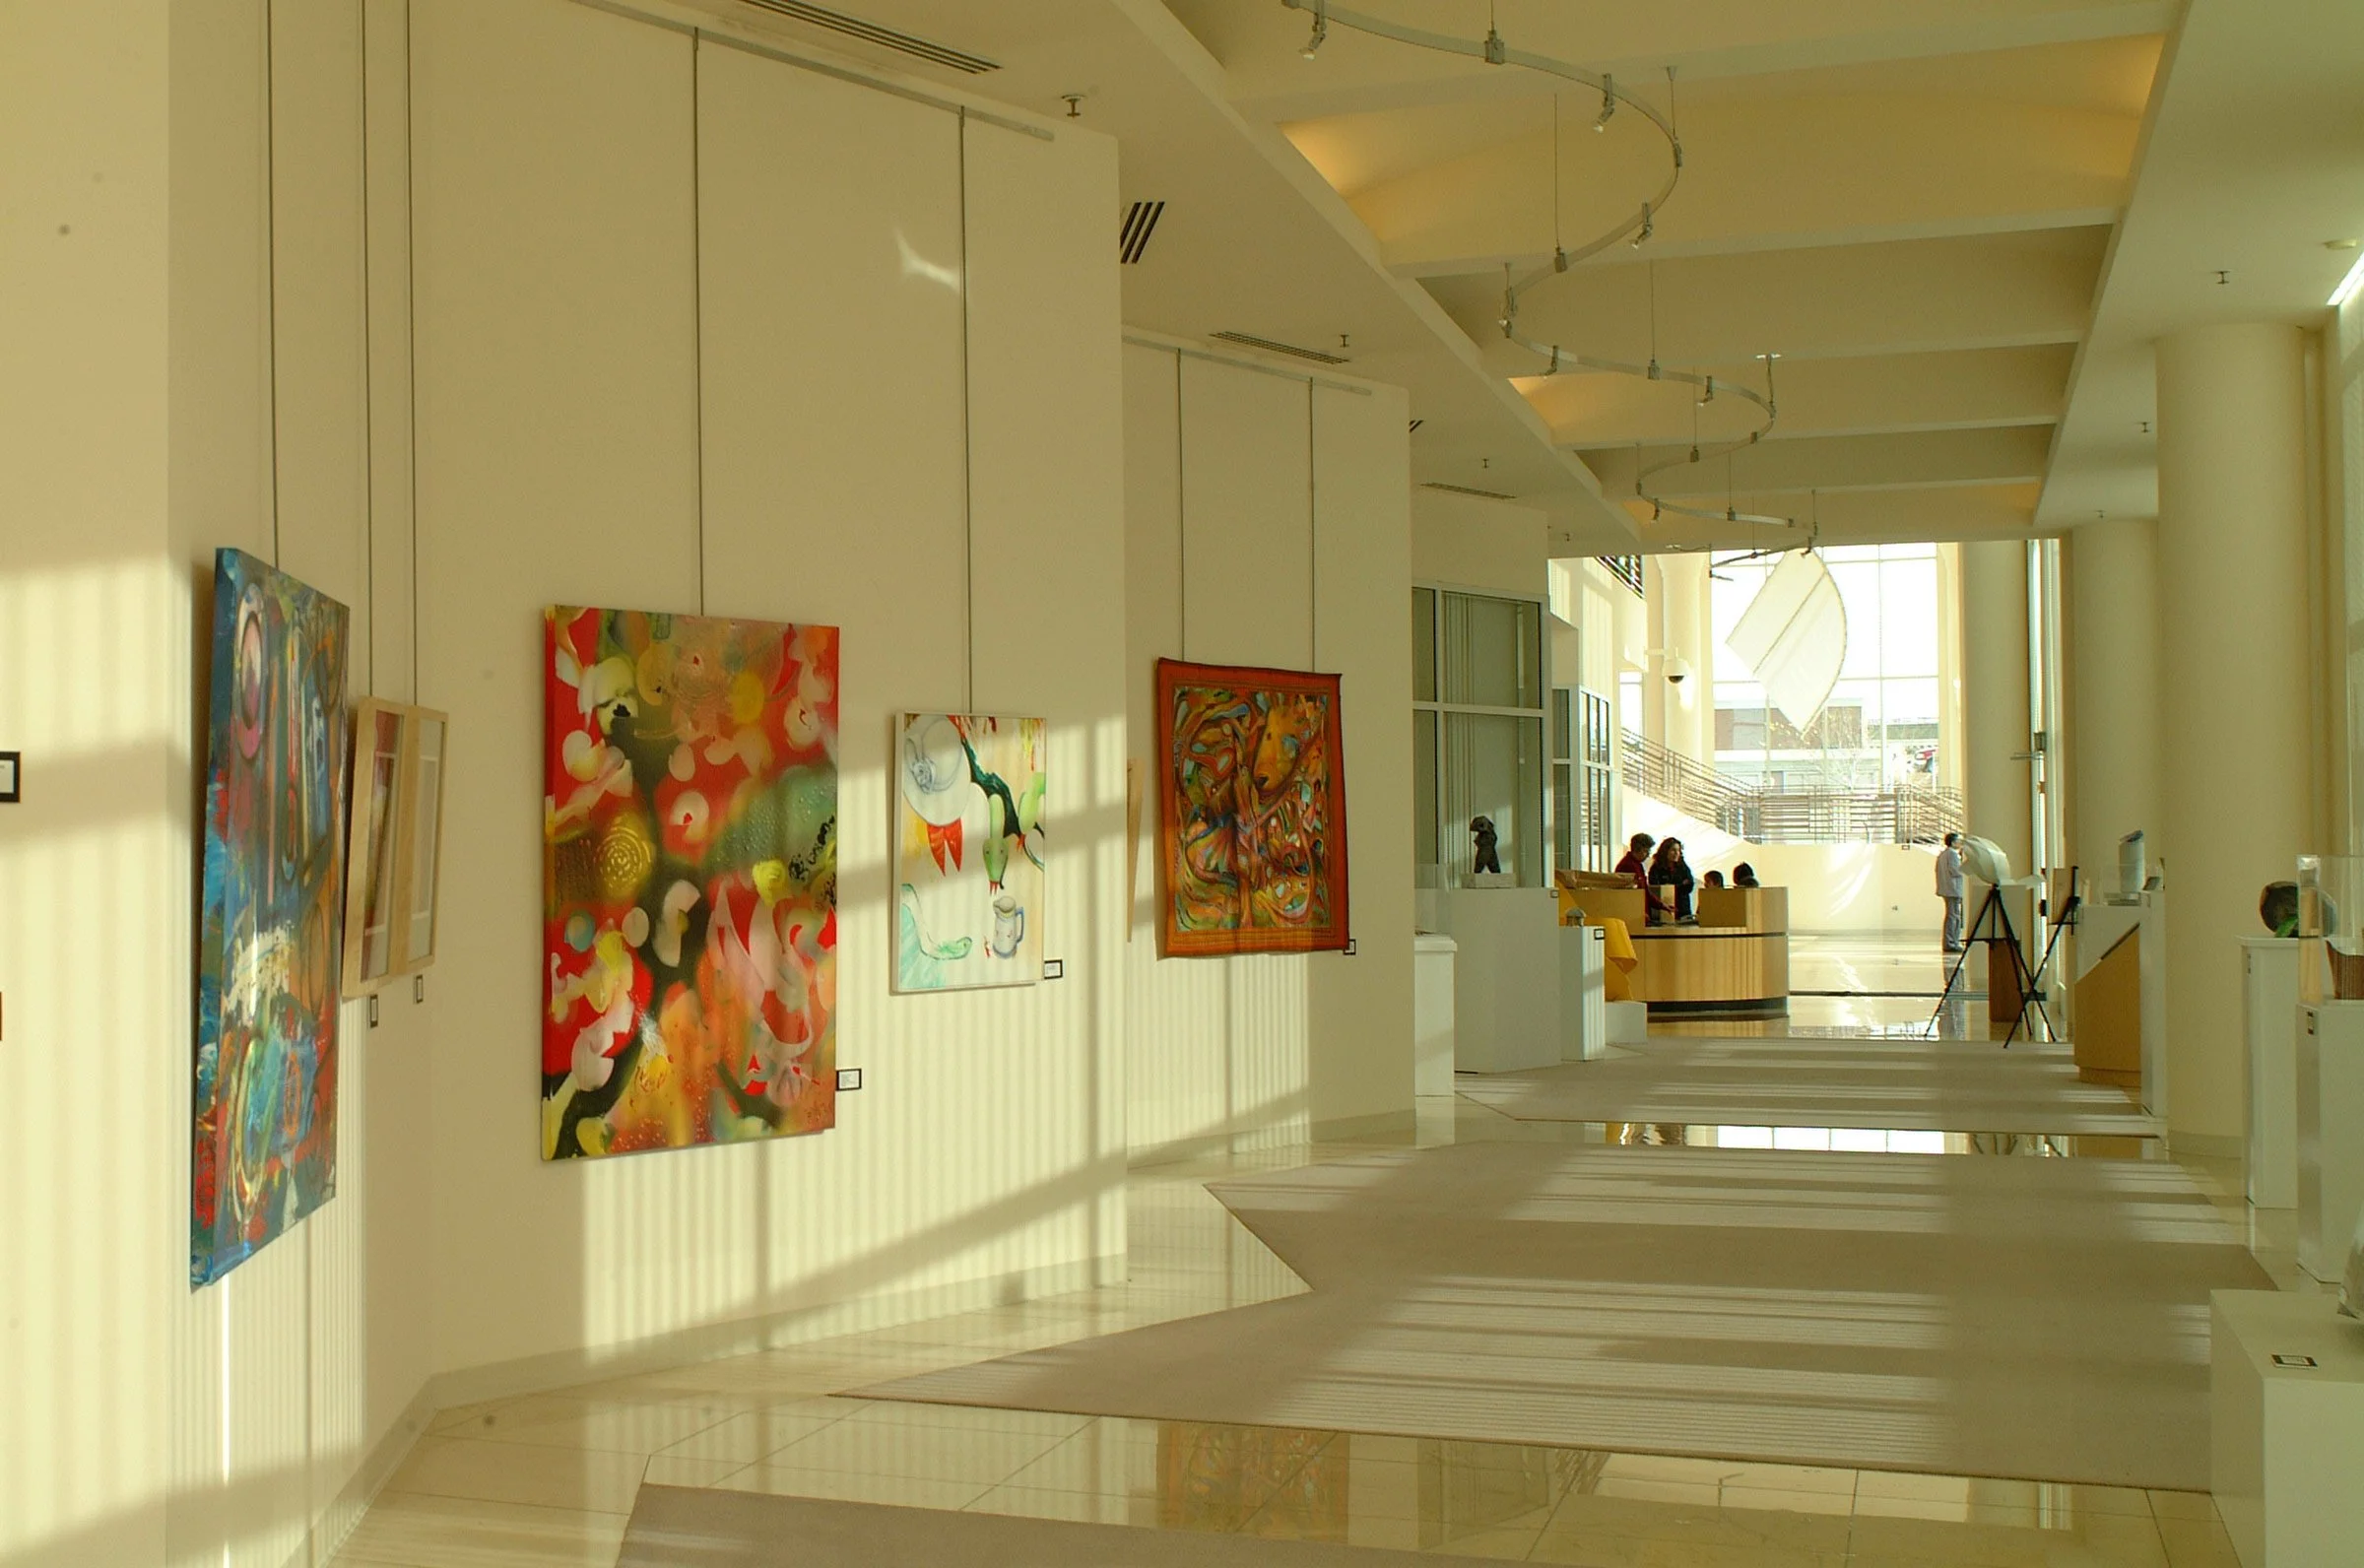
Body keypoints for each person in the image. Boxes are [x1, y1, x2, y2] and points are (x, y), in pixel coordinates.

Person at [1649, 837, 1696, 924]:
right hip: (1664, 911)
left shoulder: (1683, 866)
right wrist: (1680, 885)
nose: (1676, 853)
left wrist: (1672, 886)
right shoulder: (1656, 869)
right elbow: (1656, 889)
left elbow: (1689, 886)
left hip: (1683, 910)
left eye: (1678, 850)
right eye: (1673, 850)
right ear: (1665, 851)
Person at [1937, 831, 1966, 952]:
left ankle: (1950, 941)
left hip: (1946, 889)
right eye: (1958, 841)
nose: (1960, 843)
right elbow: (1955, 871)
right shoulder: (1953, 855)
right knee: (1954, 917)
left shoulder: (1943, 855)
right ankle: (1952, 942)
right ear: (1953, 842)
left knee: (1951, 916)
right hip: (1953, 890)